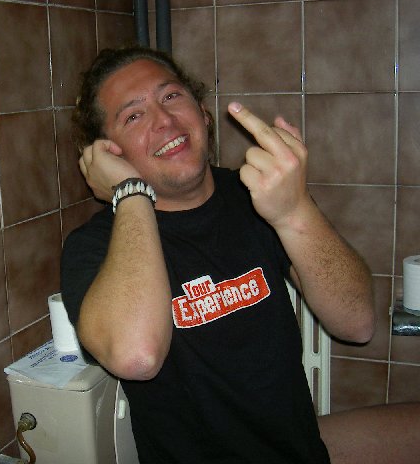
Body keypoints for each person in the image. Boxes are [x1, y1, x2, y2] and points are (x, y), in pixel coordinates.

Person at [60, 46, 376, 463]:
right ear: (108, 153)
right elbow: (137, 357)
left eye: (171, 96)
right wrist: (131, 193)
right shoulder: (95, 246)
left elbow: (357, 322)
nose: (164, 120)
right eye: (133, 116)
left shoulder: (259, 196)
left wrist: (295, 210)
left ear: (203, 113)